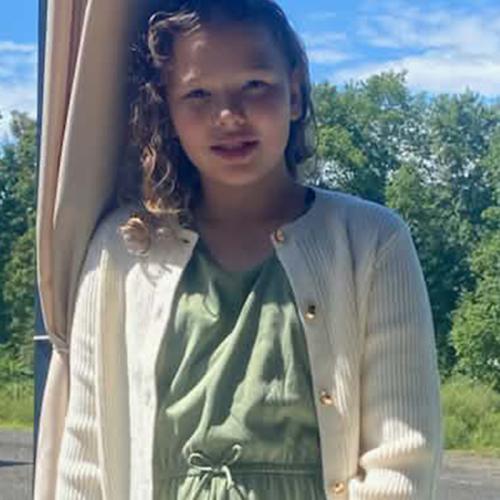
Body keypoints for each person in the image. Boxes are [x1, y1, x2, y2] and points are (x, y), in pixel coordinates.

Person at [54, 1, 443, 498]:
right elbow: (85, 460)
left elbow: (402, 460)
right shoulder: (120, 251)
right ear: (167, 109)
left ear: (294, 92)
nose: (228, 115)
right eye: (198, 93)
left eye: (255, 85)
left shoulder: (372, 242)